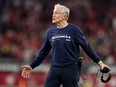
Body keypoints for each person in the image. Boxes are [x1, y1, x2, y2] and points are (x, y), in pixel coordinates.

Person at [21, 4, 110, 87]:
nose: (53, 15)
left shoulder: (74, 30)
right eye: (53, 12)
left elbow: (87, 47)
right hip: (54, 69)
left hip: (71, 69)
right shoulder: (50, 32)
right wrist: (32, 66)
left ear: (64, 16)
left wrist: (100, 63)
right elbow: (43, 52)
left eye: (56, 13)